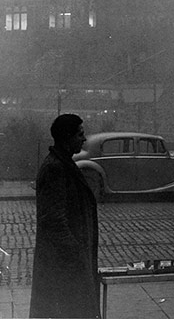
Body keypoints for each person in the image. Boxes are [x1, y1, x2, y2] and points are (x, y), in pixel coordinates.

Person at [30, 114, 100, 318]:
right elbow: (53, 221)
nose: (84, 139)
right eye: (80, 134)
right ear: (67, 137)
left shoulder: (62, 164)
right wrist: (77, 254)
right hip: (65, 268)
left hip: (67, 266)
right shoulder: (56, 168)